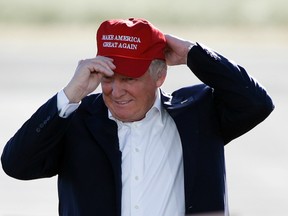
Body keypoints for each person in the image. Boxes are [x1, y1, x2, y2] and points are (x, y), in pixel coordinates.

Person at [1, 18, 274, 216]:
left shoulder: (198, 114)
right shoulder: (76, 119)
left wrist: (195, 55)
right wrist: (70, 94)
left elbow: (257, 103)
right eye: (108, 78)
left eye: (129, 78)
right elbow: (16, 165)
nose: (116, 91)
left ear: (160, 75)